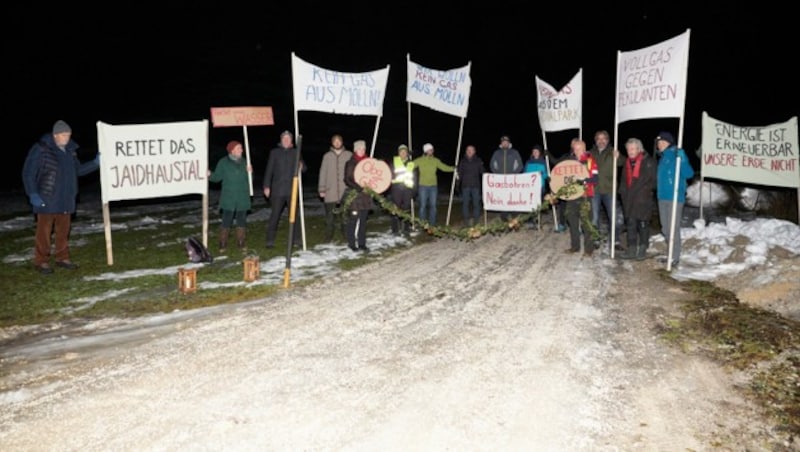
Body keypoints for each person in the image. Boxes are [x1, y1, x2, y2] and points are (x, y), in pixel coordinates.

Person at [22, 120, 99, 274]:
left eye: (69, 135)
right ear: (55, 135)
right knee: (44, 231)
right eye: (64, 135)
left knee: (63, 230)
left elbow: (79, 171)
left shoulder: (70, 151)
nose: (67, 138)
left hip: (66, 197)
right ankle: (41, 261)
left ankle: (62, 258)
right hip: (47, 197)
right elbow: (28, 173)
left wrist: (95, 163)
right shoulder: (41, 149)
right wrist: (33, 193)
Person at [655, 131, 695, 267]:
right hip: (662, 197)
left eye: (662, 142)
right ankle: (670, 254)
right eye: (658, 142)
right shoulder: (662, 157)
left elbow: (689, 174)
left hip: (675, 197)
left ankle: (675, 257)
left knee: (673, 228)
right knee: (665, 228)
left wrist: (683, 159)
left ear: (669, 142)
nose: (659, 144)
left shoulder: (676, 155)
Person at [262, 130, 305, 248]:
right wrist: (266, 186)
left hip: (292, 189)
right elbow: (269, 170)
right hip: (278, 190)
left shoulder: (296, 152)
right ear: (281, 140)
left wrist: (301, 165)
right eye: (284, 138)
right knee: (275, 215)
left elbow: (304, 168)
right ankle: (269, 241)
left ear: (291, 141)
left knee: (294, 215)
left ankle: (297, 239)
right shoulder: (274, 153)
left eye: (288, 138)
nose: (286, 140)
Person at [209, 140, 252, 252]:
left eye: (241, 148)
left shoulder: (244, 162)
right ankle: (222, 243)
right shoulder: (223, 162)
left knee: (241, 220)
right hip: (229, 197)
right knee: (226, 220)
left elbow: (248, 181)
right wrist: (209, 175)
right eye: (239, 148)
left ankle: (241, 242)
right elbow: (217, 177)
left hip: (242, 196)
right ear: (232, 150)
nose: (241, 150)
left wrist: (250, 172)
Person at [618, 138, 657, 260]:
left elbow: (654, 182)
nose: (630, 151)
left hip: (643, 200)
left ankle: (643, 248)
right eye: (628, 149)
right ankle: (631, 249)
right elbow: (624, 181)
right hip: (629, 199)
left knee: (643, 224)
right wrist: (622, 193)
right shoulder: (627, 163)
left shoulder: (649, 161)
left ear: (639, 149)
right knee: (630, 224)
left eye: (633, 148)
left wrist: (643, 192)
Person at [589, 130, 624, 249]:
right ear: (595, 141)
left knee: (614, 216)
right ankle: (596, 239)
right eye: (598, 139)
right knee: (594, 217)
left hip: (610, 189)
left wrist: (618, 156)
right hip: (594, 189)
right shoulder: (590, 153)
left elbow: (622, 162)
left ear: (608, 140)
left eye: (604, 138)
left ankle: (616, 240)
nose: (601, 141)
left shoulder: (612, 152)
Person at [564, 138, 598, 257]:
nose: (577, 151)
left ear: (584, 149)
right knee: (572, 221)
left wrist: (583, 181)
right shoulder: (570, 162)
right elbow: (563, 179)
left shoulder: (590, 161)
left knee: (586, 223)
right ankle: (575, 247)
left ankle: (589, 250)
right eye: (575, 149)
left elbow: (595, 179)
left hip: (585, 195)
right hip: (572, 197)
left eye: (579, 149)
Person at [318, 134, 352, 242]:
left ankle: (346, 236)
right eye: (335, 141)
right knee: (330, 218)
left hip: (345, 191)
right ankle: (328, 237)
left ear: (342, 142)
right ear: (332, 143)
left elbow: (354, 171)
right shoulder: (327, 156)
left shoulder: (349, 155)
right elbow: (323, 172)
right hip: (330, 191)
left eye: (339, 141)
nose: (337, 143)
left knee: (345, 216)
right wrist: (321, 188)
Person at [413, 143, 455, 226]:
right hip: (423, 186)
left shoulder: (435, 160)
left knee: (433, 206)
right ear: (425, 151)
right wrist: (408, 160)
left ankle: (432, 224)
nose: (432, 151)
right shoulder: (420, 160)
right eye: (430, 149)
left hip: (433, 186)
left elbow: (444, 167)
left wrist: (453, 168)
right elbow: (409, 166)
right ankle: (422, 223)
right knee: (422, 206)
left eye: (432, 149)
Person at [343, 140, 374, 252]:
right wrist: (358, 187)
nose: (361, 150)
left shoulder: (369, 163)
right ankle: (352, 244)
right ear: (355, 150)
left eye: (363, 149)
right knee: (353, 220)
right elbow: (347, 179)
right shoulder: (351, 163)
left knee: (363, 221)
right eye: (359, 148)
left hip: (366, 197)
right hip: (355, 197)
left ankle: (362, 243)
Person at [489, 135, 523, 221]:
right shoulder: (496, 153)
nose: (505, 143)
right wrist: (498, 175)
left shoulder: (514, 152)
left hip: (512, 180)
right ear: (501, 143)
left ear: (509, 143)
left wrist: (513, 174)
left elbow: (520, 165)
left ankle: (515, 215)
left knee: (513, 197)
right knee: (502, 197)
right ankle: (504, 216)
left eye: (506, 142)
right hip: (500, 181)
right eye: (503, 142)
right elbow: (492, 165)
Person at [388, 144, 417, 236]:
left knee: (406, 209)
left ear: (407, 153)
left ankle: (406, 228)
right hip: (397, 189)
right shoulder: (393, 162)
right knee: (395, 209)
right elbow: (389, 175)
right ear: (399, 153)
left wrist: (414, 191)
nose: (403, 153)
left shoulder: (411, 164)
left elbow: (414, 178)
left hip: (407, 189)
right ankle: (395, 230)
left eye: (405, 152)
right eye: (401, 152)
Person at [456, 144, 484, 227]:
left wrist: (487, 176)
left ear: (474, 151)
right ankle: (466, 221)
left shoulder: (478, 160)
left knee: (476, 204)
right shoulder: (462, 161)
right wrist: (457, 184)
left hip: (476, 185)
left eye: (471, 150)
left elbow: (482, 172)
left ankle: (476, 221)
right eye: (468, 150)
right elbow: (459, 174)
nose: (469, 151)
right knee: (465, 204)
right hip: (465, 186)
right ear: (466, 151)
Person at [523, 144, 548, 229]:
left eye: (536, 151)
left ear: (539, 152)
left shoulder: (544, 162)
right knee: (530, 204)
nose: (535, 153)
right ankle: (530, 220)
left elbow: (546, 175)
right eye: (534, 151)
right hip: (530, 187)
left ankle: (537, 220)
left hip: (540, 186)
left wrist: (542, 174)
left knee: (538, 204)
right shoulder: (528, 162)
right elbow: (524, 174)